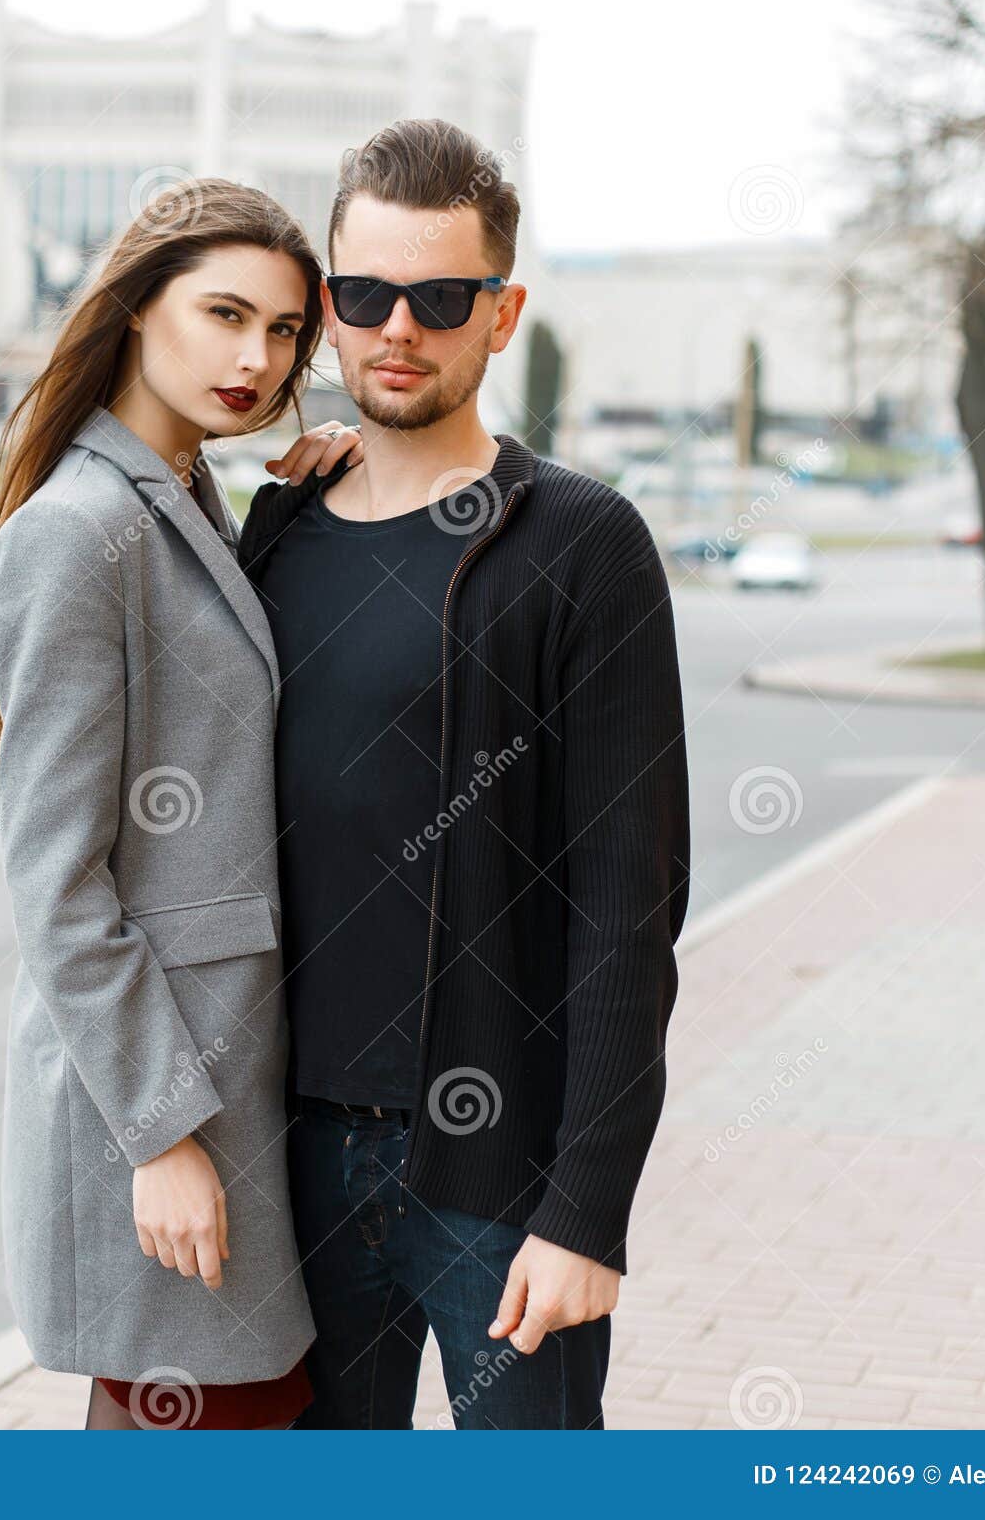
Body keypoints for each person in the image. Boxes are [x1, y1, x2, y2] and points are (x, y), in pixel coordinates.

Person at [238, 119, 692, 1429]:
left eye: (441, 300)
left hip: (501, 1185)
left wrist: (588, 1213)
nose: (398, 330)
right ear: (328, 305)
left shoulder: (583, 544)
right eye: (366, 295)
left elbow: (629, 906)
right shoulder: (274, 538)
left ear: (502, 314)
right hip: (301, 1169)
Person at [0, 177, 363, 1429]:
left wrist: (292, 513)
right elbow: (55, 878)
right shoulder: (78, 528)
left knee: (233, 1414)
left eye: (288, 330)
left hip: (223, 1077)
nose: (257, 357)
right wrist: (159, 1136)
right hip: (158, 1100)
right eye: (224, 314)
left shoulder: (178, 496)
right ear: (138, 307)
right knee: (194, 1423)